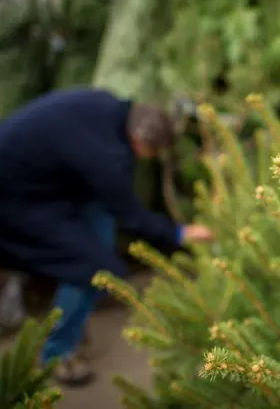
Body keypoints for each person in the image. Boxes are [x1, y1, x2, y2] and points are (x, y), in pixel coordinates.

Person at [0, 89, 213, 386]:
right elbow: (131, 216)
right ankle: (58, 354)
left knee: (98, 225)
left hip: (41, 177)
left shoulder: (109, 107)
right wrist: (180, 232)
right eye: (149, 155)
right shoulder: (106, 157)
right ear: (139, 141)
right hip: (13, 197)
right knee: (91, 267)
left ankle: (77, 308)